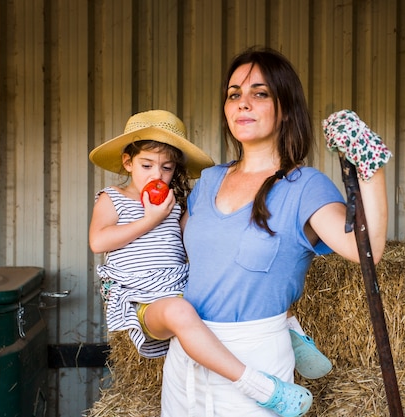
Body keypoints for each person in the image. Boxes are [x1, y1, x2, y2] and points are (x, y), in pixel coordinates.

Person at [161, 47, 390, 416]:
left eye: (259, 93)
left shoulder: (305, 186)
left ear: (284, 109)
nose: (243, 103)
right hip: (186, 360)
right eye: (234, 94)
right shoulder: (207, 181)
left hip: (256, 368)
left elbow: (366, 249)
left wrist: (370, 167)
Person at [88, 109, 314, 417]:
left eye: (167, 168)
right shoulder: (113, 198)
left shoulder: (173, 204)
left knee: (242, 281)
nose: (157, 175)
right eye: (146, 165)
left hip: (179, 286)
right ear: (127, 162)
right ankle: (258, 386)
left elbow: (197, 243)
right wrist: (150, 219)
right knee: (180, 311)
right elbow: (98, 241)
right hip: (142, 297)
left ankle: (291, 334)